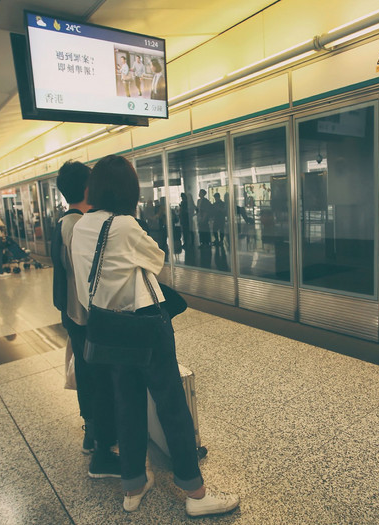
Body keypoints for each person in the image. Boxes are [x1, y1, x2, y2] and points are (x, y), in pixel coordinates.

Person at [71, 155, 240, 517]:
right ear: (127, 189)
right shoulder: (123, 225)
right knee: (171, 405)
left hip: (108, 326)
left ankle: (133, 485)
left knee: (127, 404)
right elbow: (156, 259)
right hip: (143, 323)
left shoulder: (81, 226)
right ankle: (195, 493)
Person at [50, 160, 119, 476]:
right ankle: (101, 445)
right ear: (88, 188)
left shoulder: (66, 221)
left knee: (89, 374)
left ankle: (92, 435)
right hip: (85, 317)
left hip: (73, 313)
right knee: (97, 378)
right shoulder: (78, 226)